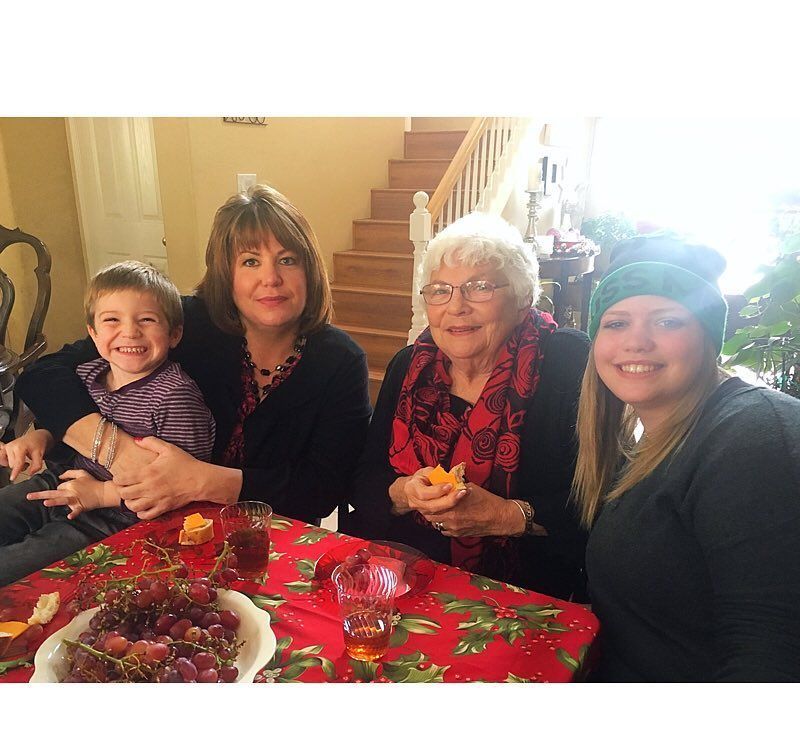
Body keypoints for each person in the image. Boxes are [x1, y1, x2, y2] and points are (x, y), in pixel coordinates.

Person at [16, 185, 371, 526]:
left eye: (287, 260)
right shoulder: (186, 323)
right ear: (225, 274)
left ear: (309, 270)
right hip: (87, 491)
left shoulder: (339, 361)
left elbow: (322, 490)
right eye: (250, 261)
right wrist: (115, 451)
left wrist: (201, 480)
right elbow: (45, 373)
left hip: (249, 538)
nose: (271, 278)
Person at [572, 233, 800, 681]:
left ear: (710, 336)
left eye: (668, 322)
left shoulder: (753, 442)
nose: (636, 342)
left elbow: (770, 658)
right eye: (616, 323)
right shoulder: (649, 430)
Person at [345, 213, 590, 599]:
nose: (456, 306)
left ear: (524, 297)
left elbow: (601, 503)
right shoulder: (409, 366)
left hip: (520, 591)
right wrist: (405, 493)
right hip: (402, 579)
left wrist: (508, 517)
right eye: (441, 290)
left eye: (480, 288)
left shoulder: (568, 364)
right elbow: (364, 480)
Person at [0, 262, 215, 585]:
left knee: (15, 570)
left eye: (147, 319)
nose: (129, 331)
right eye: (112, 320)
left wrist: (102, 494)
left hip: (112, 518)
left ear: (174, 334)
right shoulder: (88, 373)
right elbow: (69, 429)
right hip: (58, 483)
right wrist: (42, 438)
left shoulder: (176, 397)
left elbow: (182, 488)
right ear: (93, 332)